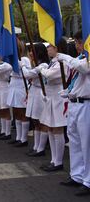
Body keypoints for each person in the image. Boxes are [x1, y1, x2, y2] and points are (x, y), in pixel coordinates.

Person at [58, 30, 90, 196]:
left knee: (87, 144)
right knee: (75, 141)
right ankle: (77, 175)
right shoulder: (79, 58)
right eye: (77, 43)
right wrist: (68, 91)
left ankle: (88, 180)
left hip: (86, 105)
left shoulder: (85, 60)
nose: (77, 46)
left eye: (80, 42)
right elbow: (76, 79)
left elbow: (84, 69)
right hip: (75, 104)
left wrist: (64, 57)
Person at [38, 40, 68, 172]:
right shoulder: (53, 62)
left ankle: (59, 162)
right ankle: (53, 160)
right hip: (50, 98)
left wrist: (41, 69)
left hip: (58, 99)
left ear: (57, 48)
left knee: (57, 130)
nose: (48, 49)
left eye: (50, 46)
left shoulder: (62, 63)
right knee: (50, 128)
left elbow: (49, 75)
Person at [22, 43, 49, 157]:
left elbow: (28, 75)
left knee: (41, 121)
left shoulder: (43, 65)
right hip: (34, 92)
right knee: (35, 121)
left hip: (40, 94)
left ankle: (41, 148)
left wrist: (23, 65)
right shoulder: (35, 64)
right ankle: (36, 146)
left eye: (32, 51)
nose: (30, 53)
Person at [6, 40, 31, 147]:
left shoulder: (24, 59)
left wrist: (21, 66)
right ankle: (18, 137)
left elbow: (29, 74)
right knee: (16, 112)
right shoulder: (13, 59)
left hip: (21, 85)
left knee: (22, 112)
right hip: (13, 85)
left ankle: (24, 139)